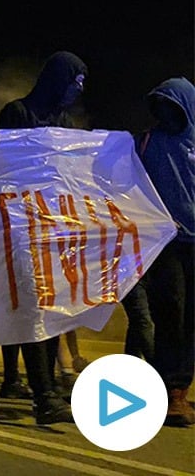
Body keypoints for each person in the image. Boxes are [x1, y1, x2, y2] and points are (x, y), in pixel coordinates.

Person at [0, 50, 86, 424]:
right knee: (33, 309)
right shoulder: (16, 113)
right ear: (56, 80)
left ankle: (45, 391)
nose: (78, 91)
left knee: (51, 311)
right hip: (21, 227)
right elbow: (1, 165)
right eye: (74, 82)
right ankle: (43, 395)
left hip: (53, 229)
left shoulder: (64, 122)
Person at [134, 77, 195, 427]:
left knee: (190, 320)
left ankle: (179, 389)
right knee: (170, 313)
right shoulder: (146, 142)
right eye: (161, 107)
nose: (166, 113)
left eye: (172, 106)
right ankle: (170, 391)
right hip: (164, 243)